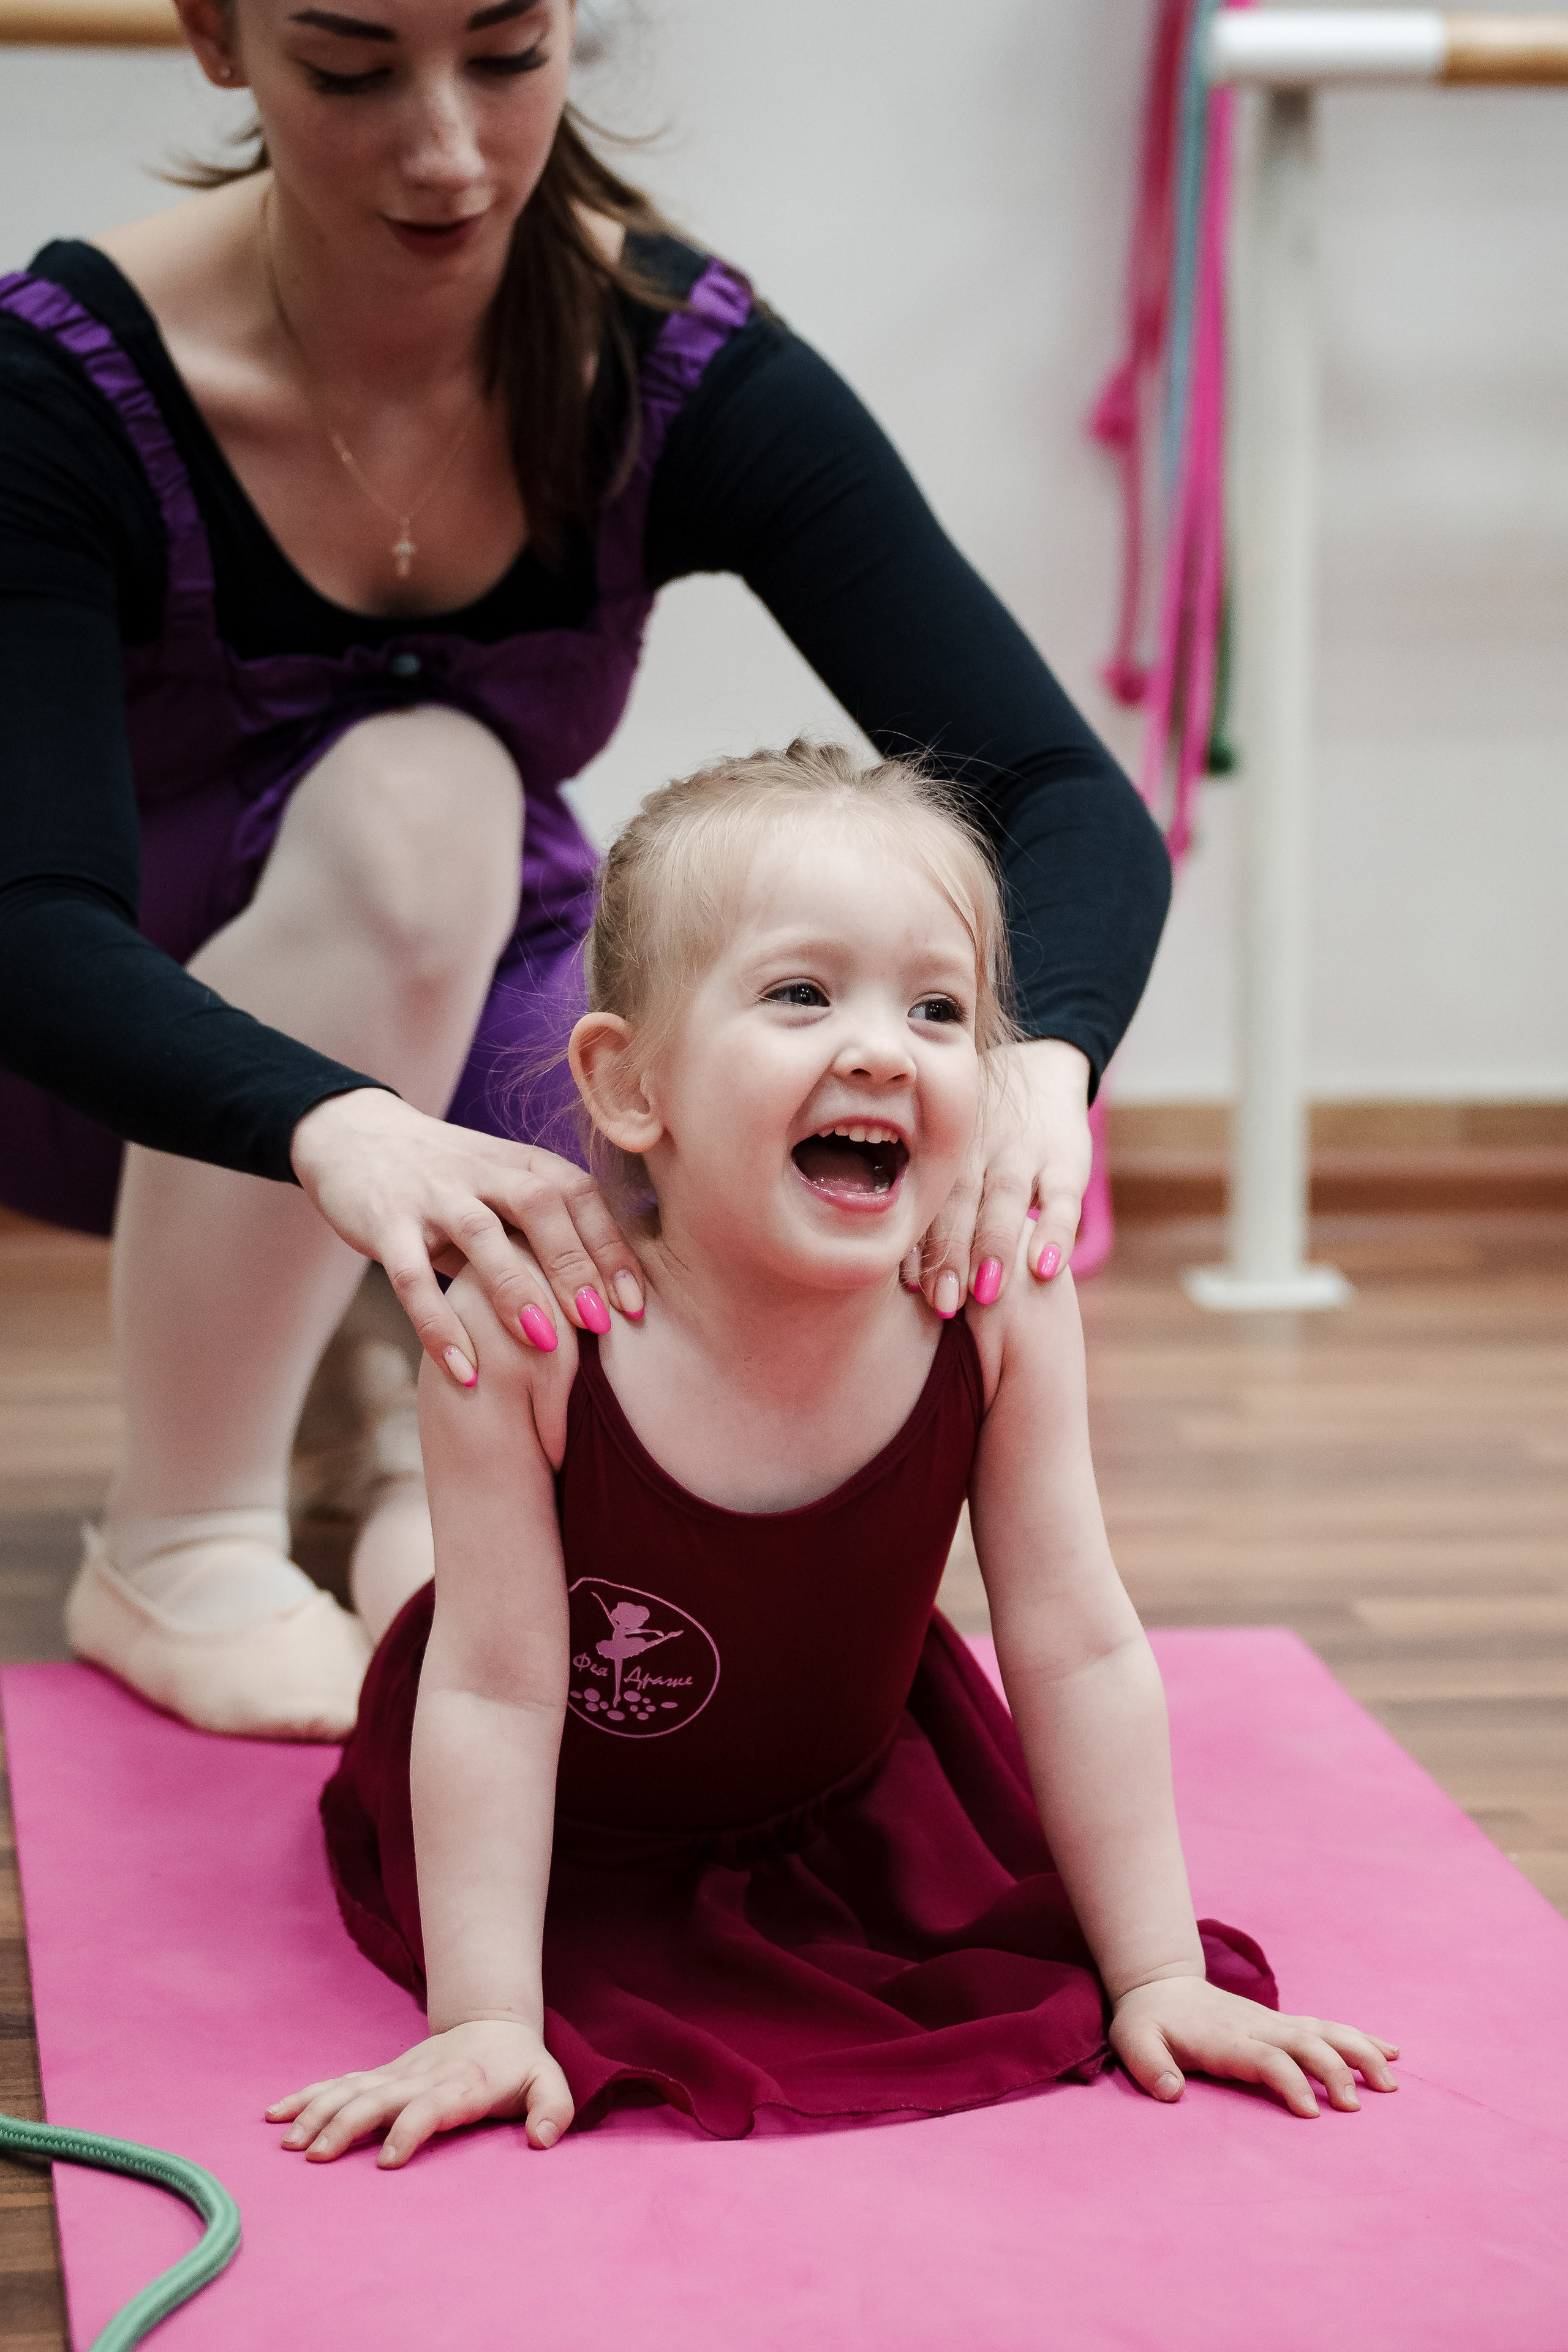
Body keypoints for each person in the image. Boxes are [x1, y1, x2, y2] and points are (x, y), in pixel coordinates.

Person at [0, 0, 1173, 1741]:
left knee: (693, 1085)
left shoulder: (670, 360)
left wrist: (1040, 1063)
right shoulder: (68, 384)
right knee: (425, 796)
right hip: (115, 1051)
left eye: (505, 52)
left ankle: (408, 1426)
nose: (449, 149)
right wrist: (347, 1125)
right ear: (217, 38)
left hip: (473, 1002)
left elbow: (1063, 791)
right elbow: (31, 925)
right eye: (352, 67)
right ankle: (181, 1531)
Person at [273, 744, 1399, 2160]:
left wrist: (1161, 1973)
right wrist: (487, 2018)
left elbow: (1072, 1640)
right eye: (800, 993)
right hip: (571, 1805)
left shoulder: (990, 1309)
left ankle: (385, 1471)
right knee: (414, 1580)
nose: (879, 1046)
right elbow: (495, 1693)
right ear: (631, 1086)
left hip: (849, 1786)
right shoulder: (533, 1342)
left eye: (936, 1007)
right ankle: (383, 1474)